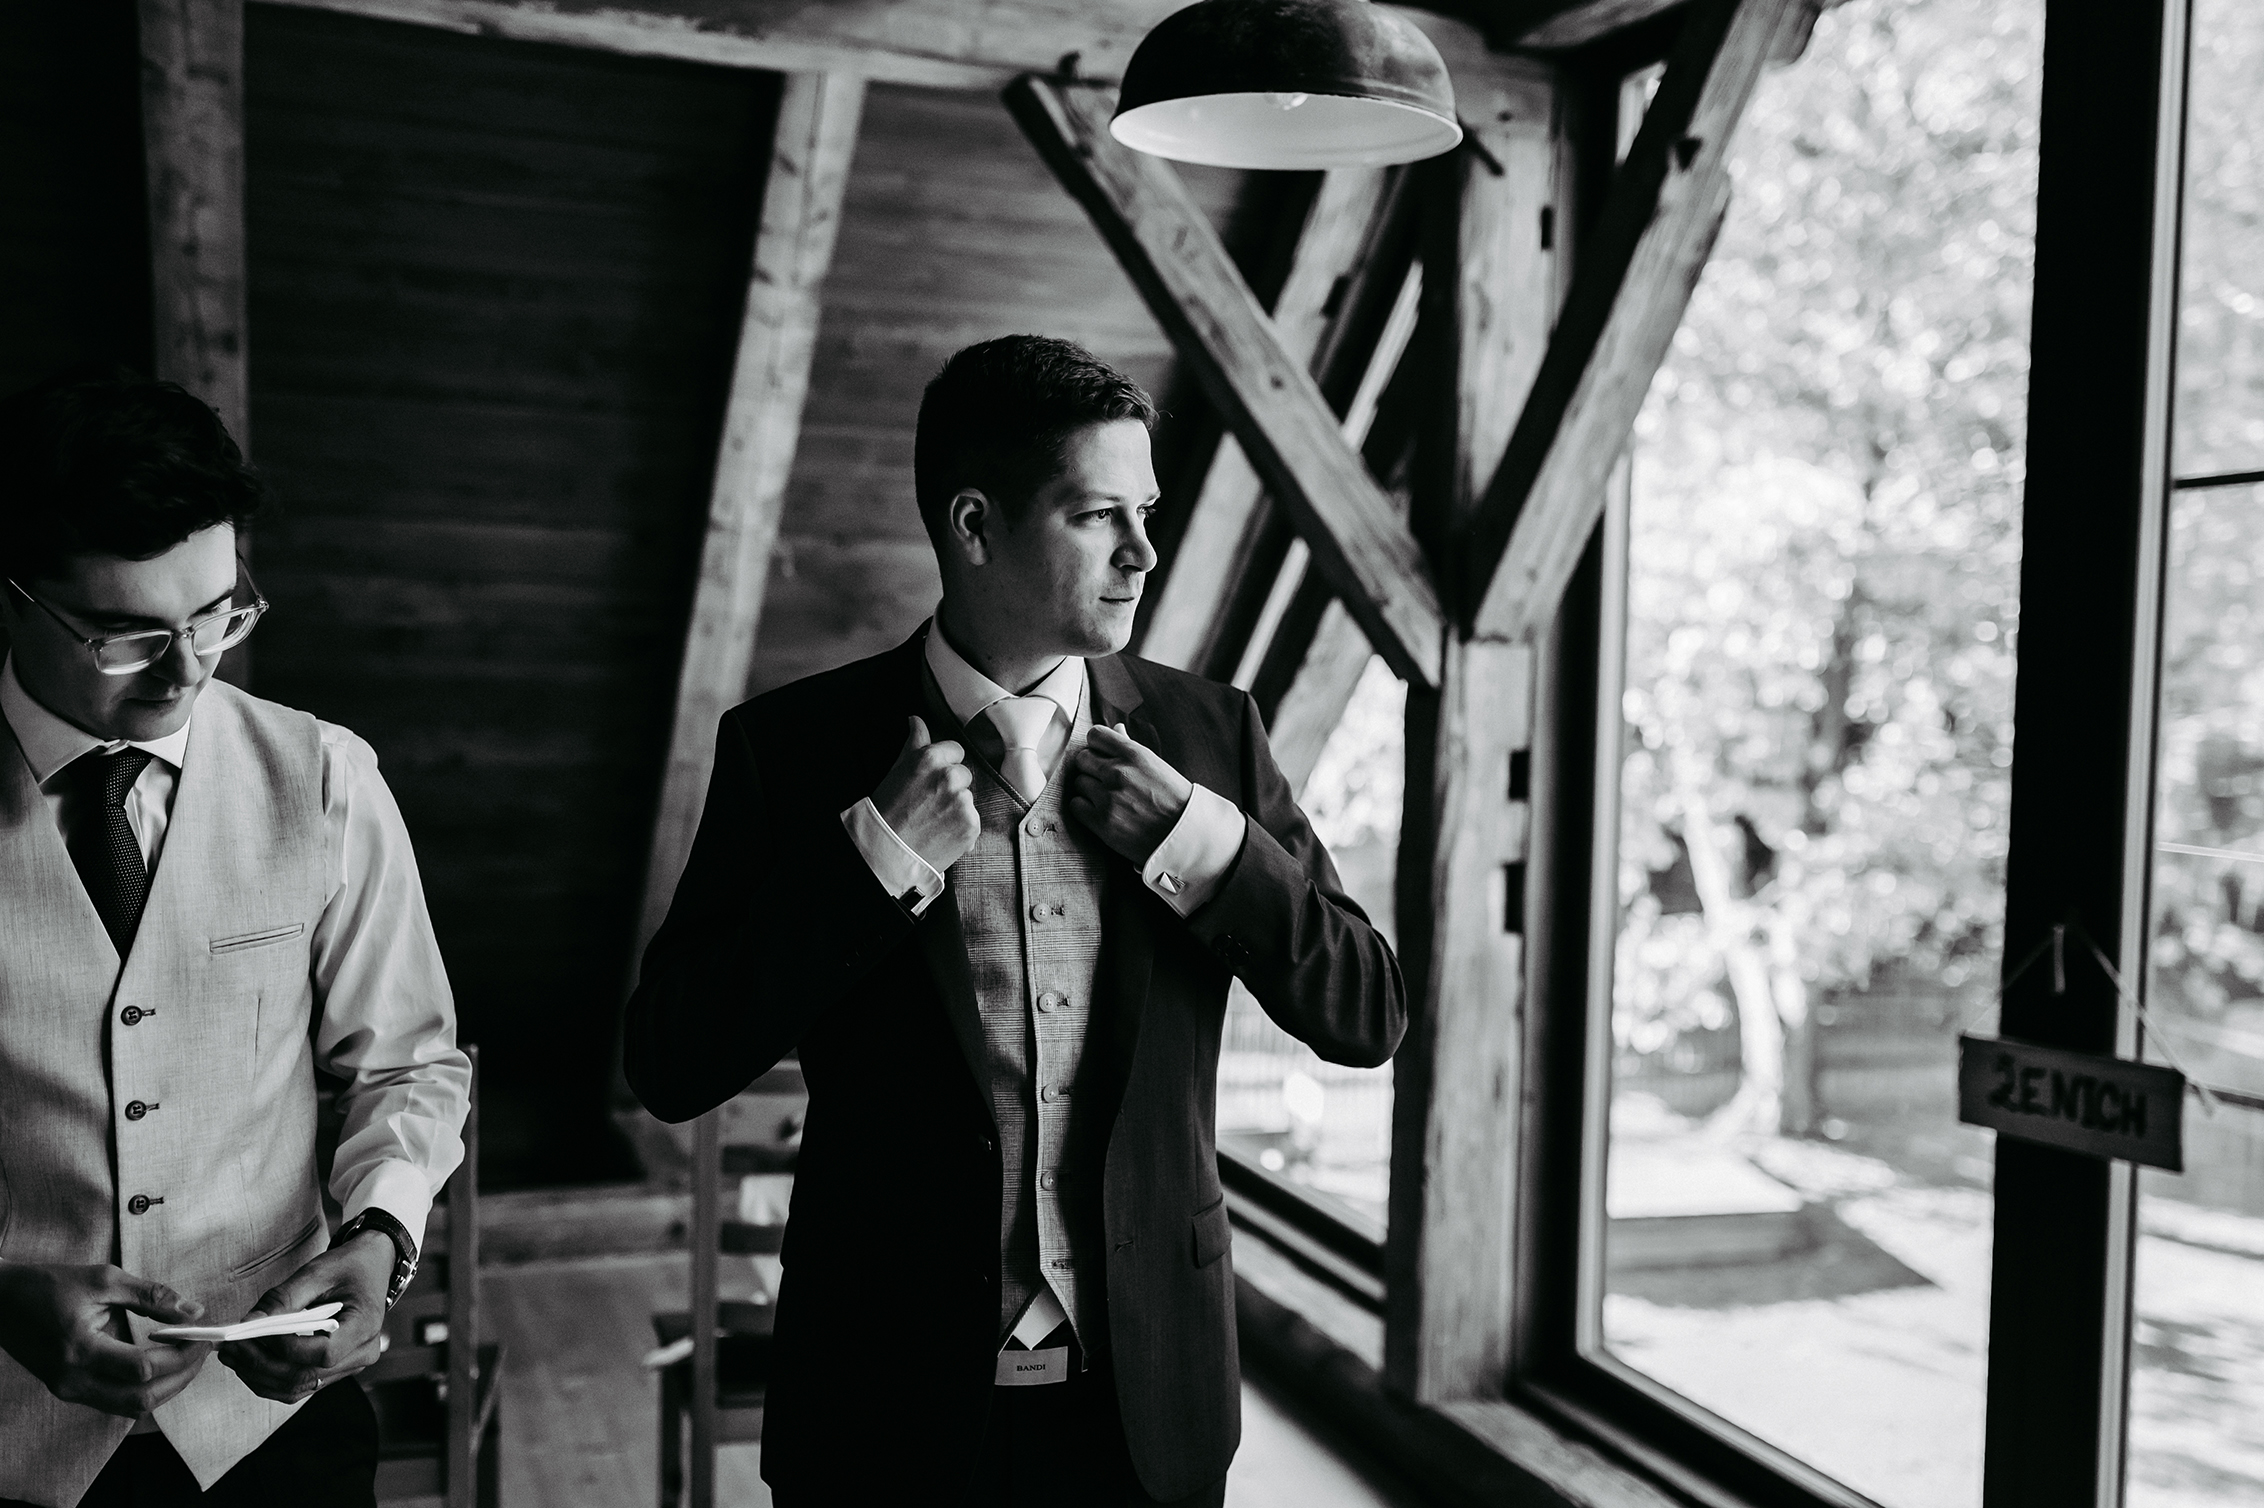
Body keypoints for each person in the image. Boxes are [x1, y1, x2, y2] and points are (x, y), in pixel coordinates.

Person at [624, 335, 1406, 1504]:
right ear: (974, 525)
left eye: (1147, 512)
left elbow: (1366, 1009)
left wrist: (1202, 845)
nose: (1142, 551)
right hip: (881, 1408)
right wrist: (871, 860)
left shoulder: (1212, 738)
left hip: (1145, 1406)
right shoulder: (791, 750)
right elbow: (671, 1059)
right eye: (1099, 515)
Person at [0, 372, 471, 1508]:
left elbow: (409, 1064)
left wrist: (378, 1237)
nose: (188, 669)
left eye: (217, 613)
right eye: (127, 636)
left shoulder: (326, 777)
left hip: (273, 1431)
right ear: (14, 600)